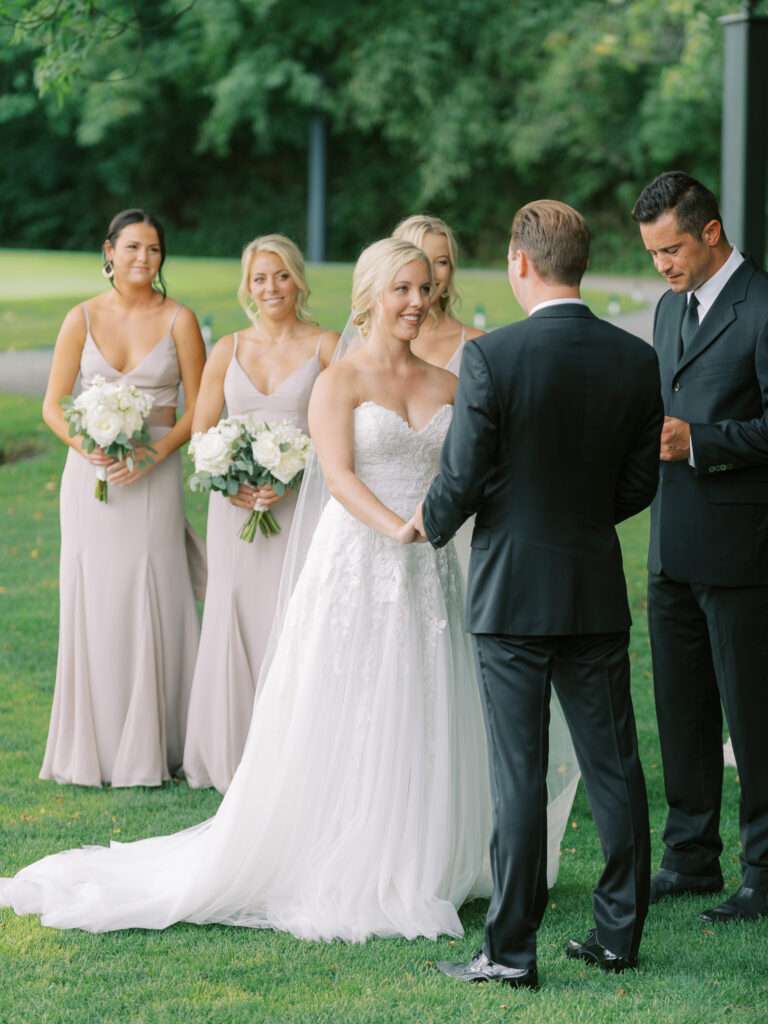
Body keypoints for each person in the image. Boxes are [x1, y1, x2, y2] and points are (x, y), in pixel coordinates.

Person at [0, 238, 493, 938]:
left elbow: (466, 472)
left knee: (426, 695)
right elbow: (342, 476)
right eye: (403, 290)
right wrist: (399, 529)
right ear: (372, 297)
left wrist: (436, 526)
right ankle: (354, 851)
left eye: (424, 289)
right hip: (362, 559)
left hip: (432, 571)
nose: (418, 302)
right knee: (359, 699)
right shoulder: (341, 380)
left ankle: (425, 855)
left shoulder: (449, 386)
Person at [412, 200, 662, 988]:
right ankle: (618, 937)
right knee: (614, 764)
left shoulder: (494, 359)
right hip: (591, 587)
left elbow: (459, 478)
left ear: (521, 262)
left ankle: (510, 951)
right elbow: (639, 481)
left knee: (518, 773)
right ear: (579, 263)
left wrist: (427, 524)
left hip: (511, 592)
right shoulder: (635, 356)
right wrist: (582, 519)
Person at [632, 171, 768, 924]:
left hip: (746, 552)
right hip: (670, 547)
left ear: (711, 231)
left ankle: (765, 870)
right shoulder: (665, 310)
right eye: (653, 253)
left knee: (753, 716)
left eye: (672, 248)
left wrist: (700, 442)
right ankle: (690, 859)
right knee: (682, 710)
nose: (663, 265)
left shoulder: (764, 306)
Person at [38, 208, 205, 788]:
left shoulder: (180, 319)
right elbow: (53, 404)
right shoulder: (80, 318)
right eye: (132, 247)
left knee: (155, 592)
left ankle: (162, 743)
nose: (143, 258)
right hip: (91, 476)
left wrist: (156, 456)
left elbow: (199, 409)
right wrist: (87, 446)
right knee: (96, 597)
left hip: (151, 476)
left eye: (153, 250)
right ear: (109, 251)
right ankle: (95, 746)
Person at [182, 234, 337, 793]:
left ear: (298, 279)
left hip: (302, 510)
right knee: (235, 617)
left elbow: (342, 433)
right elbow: (201, 430)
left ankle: (294, 756)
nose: (271, 287)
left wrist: (297, 472)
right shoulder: (227, 348)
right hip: (235, 511)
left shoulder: (327, 346)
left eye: (281, 275)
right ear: (247, 287)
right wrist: (230, 482)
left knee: (294, 620)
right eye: (259, 278)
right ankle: (232, 751)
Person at [392, 214, 484, 373]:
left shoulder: (477, 344)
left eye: (441, 262)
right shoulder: (372, 341)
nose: (431, 273)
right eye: (422, 259)